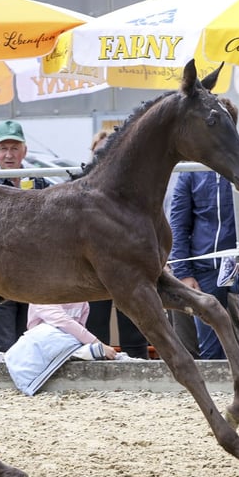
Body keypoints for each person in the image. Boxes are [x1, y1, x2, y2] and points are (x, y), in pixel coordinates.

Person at [169, 98, 239, 360]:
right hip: (205, 263)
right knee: (212, 350)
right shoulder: (191, 172)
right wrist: (183, 271)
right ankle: (216, 381)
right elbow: (178, 222)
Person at [0, 120, 49, 352]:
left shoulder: (39, 181)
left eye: (14, 148)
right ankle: (1, 384)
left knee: (26, 337)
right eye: (4, 148)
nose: (9, 154)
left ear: (24, 151)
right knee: (4, 342)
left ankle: (22, 383)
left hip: (32, 272)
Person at [84, 130, 150, 360]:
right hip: (93, 268)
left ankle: (140, 368)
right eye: (98, 152)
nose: (102, 156)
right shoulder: (79, 187)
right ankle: (97, 371)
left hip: (125, 267)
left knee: (134, 327)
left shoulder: (132, 188)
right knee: (97, 325)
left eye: (107, 151)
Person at [4, 301, 122, 396]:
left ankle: (78, 352)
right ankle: (81, 352)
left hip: (69, 341)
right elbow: (63, 321)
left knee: (73, 339)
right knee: (49, 332)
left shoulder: (82, 299)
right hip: (42, 342)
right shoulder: (41, 295)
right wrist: (98, 343)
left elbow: (80, 329)